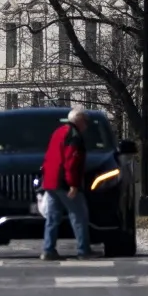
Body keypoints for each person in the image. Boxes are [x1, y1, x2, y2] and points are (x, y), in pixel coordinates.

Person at [40, 106, 91, 261]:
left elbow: (50, 156)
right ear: (80, 120)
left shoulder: (58, 132)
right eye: (86, 121)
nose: (86, 125)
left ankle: (48, 250)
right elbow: (71, 162)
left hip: (50, 182)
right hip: (64, 182)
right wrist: (73, 185)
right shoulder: (74, 136)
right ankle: (83, 250)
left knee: (52, 217)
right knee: (79, 216)